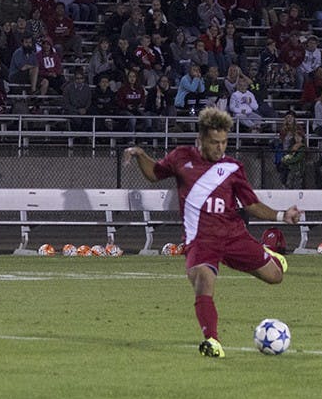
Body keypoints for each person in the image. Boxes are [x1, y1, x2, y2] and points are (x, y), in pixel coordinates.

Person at [123, 107, 300, 358]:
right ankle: (212, 341)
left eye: (224, 142)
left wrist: (282, 216)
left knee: (275, 276)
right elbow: (154, 174)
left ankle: (268, 254)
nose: (220, 148)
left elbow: (251, 204)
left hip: (233, 236)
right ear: (200, 140)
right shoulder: (181, 157)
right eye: (214, 142)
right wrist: (140, 153)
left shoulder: (233, 168)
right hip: (200, 241)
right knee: (204, 283)